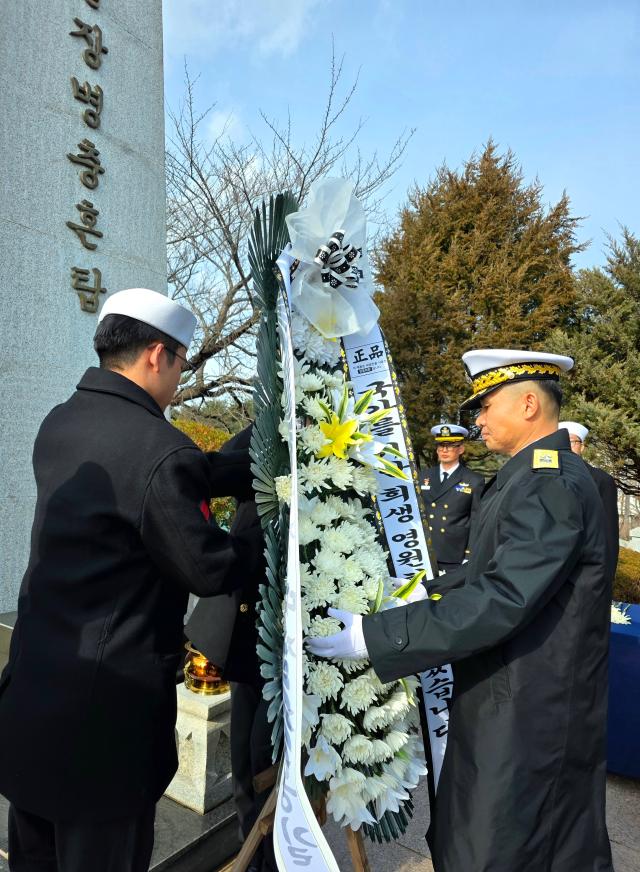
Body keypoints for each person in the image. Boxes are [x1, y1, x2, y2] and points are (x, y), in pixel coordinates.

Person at [309, 349, 613, 872]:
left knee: (502, 847)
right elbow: (485, 573)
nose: (476, 422)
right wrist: (416, 593)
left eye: (485, 405)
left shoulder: (550, 481)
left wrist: (377, 636)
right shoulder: (530, 475)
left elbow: (503, 596)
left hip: (528, 711)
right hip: (511, 694)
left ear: (527, 404)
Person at [0, 288, 264, 872]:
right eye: (181, 361)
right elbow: (207, 565)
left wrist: (240, 459)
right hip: (102, 734)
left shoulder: (64, 421)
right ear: (155, 355)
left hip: (35, 705)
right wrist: (259, 528)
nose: (178, 375)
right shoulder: (156, 449)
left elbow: (146, 486)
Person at [185, 425, 275, 872]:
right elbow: (213, 473)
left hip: (306, 642)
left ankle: (274, 860)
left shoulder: (343, 442)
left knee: (273, 767)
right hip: (249, 628)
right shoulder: (260, 436)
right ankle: (256, 860)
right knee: (246, 767)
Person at [419, 424, 484, 572]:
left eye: (450, 445)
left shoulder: (473, 480)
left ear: (461, 449)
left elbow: (476, 520)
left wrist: (470, 554)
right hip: (425, 550)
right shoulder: (424, 476)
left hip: (453, 554)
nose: (444, 450)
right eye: (441, 445)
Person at [559, 420, 619, 573]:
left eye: (572, 442)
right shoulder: (546, 476)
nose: (566, 447)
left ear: (582, 447)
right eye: (561, 442)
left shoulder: (601, 480)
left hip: (585, 570)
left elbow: (609, 534)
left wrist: (607, 576)